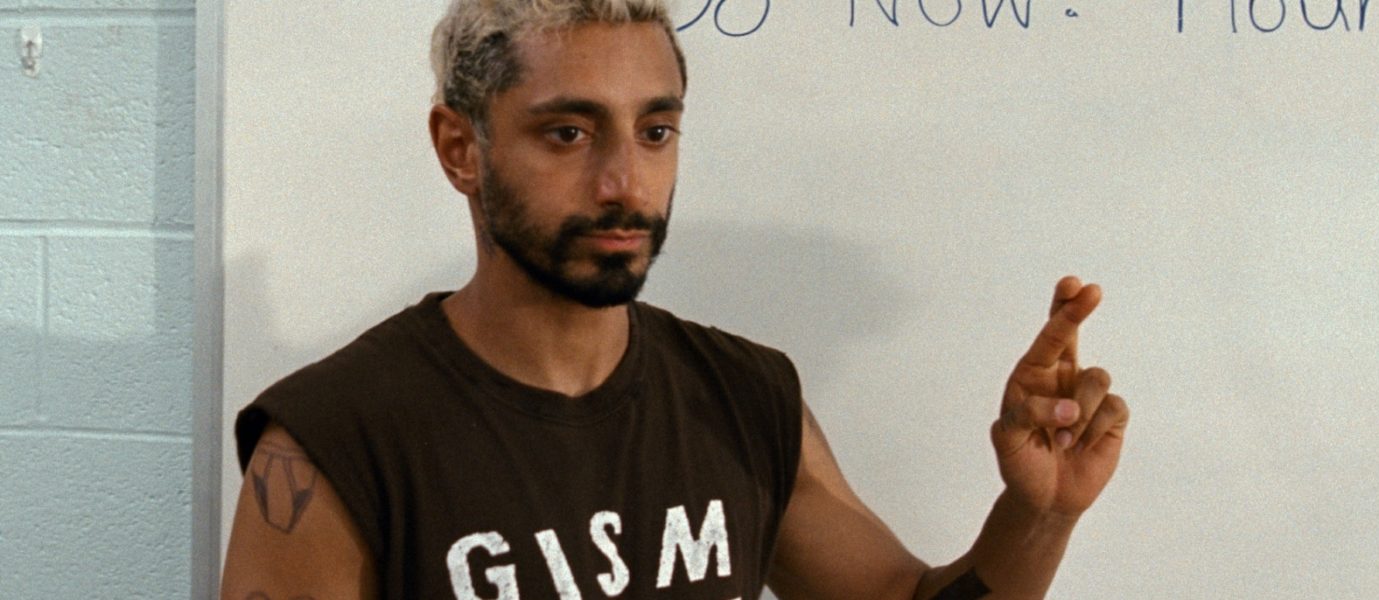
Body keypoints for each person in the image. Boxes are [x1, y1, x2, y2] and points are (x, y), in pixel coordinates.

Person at [220, 0, 1131, 598]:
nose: (624, 182)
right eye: (568, 132)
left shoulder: (747, 396)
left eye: (655, 131)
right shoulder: (336, 439)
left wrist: (1041, 511)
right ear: (461, 149)